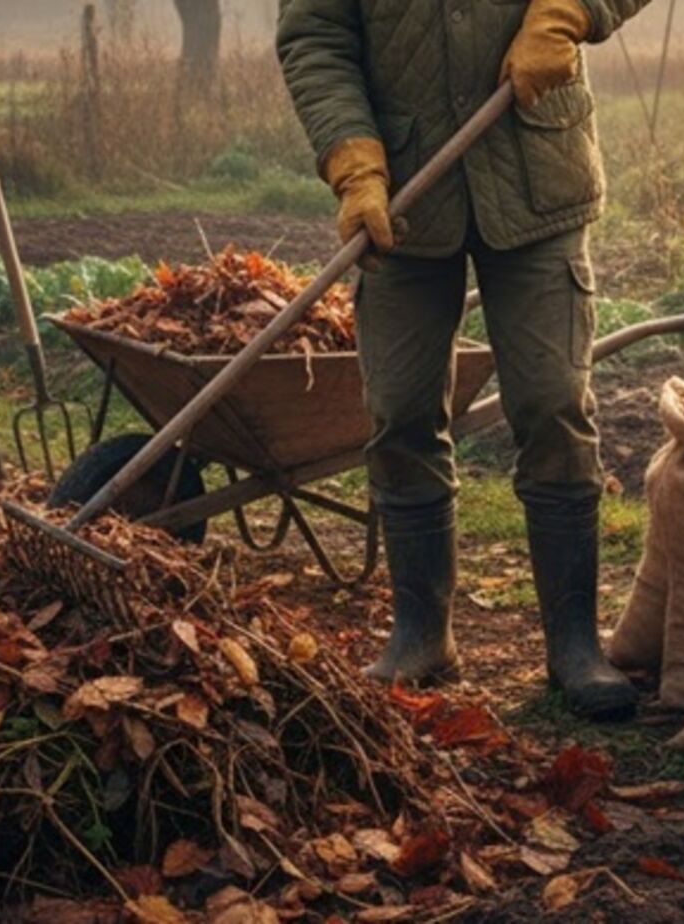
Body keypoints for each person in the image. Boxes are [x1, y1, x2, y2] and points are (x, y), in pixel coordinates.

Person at [276, 0, 650, 718]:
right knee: (400, 411)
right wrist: (354, 165)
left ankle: (575, 646)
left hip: (537, 174)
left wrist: (570, 11)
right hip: (404, 192)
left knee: (553, 403)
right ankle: (422, 637)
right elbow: (314, 35)